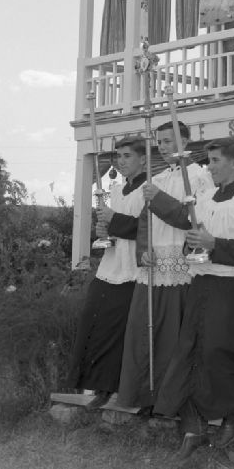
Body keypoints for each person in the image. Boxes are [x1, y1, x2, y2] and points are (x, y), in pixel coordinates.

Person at [146, 138, 234, 463]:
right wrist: (190, 238)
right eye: (208, 161)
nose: (210, 167)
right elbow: (189, 227)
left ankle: (233, 413)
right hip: (203, 284)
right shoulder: (206, 198)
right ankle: (194, 429)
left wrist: (213, 243)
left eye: (215, 160)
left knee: (221, 354)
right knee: (190, 353)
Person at [113, 121, 215, 413]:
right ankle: (145, 397)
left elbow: (192, 219)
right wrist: (143, 250)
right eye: (160, 142)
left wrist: (157, 198)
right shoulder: (156, 178)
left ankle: (172, 401)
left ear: (186, 141)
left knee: (171, 335)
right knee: (143, 332)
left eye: (169, 141)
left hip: (181, 266)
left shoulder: (199, 177)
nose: (163, 147)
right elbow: (145, 222)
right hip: (153, 264)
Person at [65, 136, 146, 409]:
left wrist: (114, 221)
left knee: (118, 330)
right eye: (118, 156)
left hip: (133, 268)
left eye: (127, 156)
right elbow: (113, 225)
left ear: (143, 159)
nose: (121, 161)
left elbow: (147, 229)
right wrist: (103, 229)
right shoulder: (118, 189)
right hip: (110, 265)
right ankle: (97, 385)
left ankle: (115, 388)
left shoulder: (149, 189)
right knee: (93, 320)